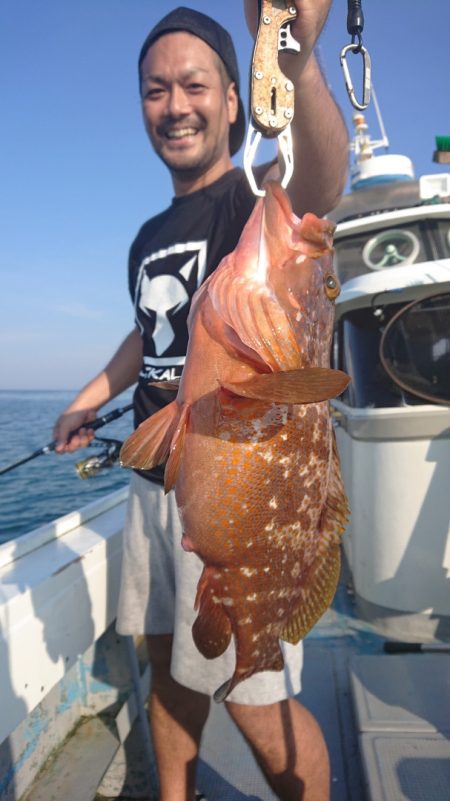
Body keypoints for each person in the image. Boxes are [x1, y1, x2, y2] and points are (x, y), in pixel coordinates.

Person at [53, 3, 348, 800]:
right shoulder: (149, 233)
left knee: (258, 705)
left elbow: (320, 182)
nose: (175, 104)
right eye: (156, 88)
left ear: (229, 98)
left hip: (240, 494)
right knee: (168, 671)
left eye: (194, 84)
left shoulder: (252, 205)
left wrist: (300, 61)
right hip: (156, 489)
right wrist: (88, 399)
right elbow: (145, 333)